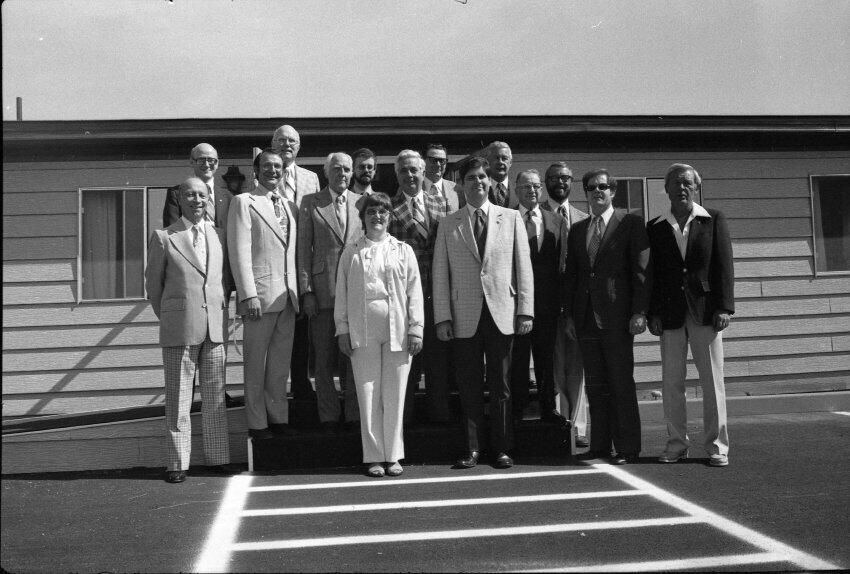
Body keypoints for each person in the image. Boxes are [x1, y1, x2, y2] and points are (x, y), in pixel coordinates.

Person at [432, 156, 534, 469]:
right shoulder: (448, 223)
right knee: (469, 386)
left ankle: (502, 448)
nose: (477, 182)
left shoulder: (511, 218)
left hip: (502, 311)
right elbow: (440, 274)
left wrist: (525, 310)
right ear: (460, 185)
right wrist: (442, 317)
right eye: (470, 178)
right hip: (464, 314)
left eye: (481, 177)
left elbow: (523, 267)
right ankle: (472, 449)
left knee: (502, 386)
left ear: (489, 181)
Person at [145, 178, 232, 483]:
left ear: (209, 199)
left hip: (215, 328)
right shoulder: (165, 237)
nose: (197, 200)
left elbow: (224, 281)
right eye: (190, 195)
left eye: (201, 195)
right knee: (179, 398)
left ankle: (217, 459)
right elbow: (153, 287)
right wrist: (173, 316)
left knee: (215, 398)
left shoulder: (220, 236)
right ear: (180, 200)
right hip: (179, 327)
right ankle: (177, 464)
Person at [647, 163, 734, 467]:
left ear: (696, 187)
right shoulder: (655, 226)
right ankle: (676, 444)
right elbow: (653, 275)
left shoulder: (713, 219)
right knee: (672, 383)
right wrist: (653, 313)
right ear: (666, 189)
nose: (682, 188)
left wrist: (724, 307)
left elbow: (724, 265)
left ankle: (717, 446)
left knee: (712, 382)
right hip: (670, 314)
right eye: (676, 183)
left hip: (706, 312)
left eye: (687, 183)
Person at [563, 169, 650, 465]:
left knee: (620, 383)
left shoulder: (631, 223)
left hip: (618, 317)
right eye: (591, 187)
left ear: (612, 191)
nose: (597, 191)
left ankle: (627, 447)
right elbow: (573, 276)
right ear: (585, 193)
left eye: (603, 186)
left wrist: (639, 311)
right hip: (586, 318)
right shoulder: (578, 229)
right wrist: (569, 316)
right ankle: (600, 446)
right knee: (596, 385)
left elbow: (641, 270)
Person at [336, 193, 424, 477]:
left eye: (382, 212)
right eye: (371, 211)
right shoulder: (351, 252)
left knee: (395, 394)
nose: (377, 216)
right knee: (368, 393)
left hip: (398, 329)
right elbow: (342, 294)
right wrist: (342, 329)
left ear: (389, 217)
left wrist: (416, 328)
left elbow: (414, 292)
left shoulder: (403, 250)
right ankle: (374, 456)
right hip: (363, 331)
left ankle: (393, 455)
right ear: (363, 217)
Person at [228, 148, 299, 440]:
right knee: (255, 364)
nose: (273, 171)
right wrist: (248, 295)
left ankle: (278, 418)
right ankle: (257, 424)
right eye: (267, 166)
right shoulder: (244, 202)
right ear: (256, 171)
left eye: (278, 166)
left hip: (288, 296)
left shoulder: (290, 206)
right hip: (259, 296)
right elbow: (239, 251)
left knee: (280, 366)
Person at [298, 152, 363, 431]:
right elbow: (303, 250)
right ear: (327, 172)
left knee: (353, 357)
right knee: (323, 360)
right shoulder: (311, 202)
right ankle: (328, 416)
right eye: (337, 169)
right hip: (323, 293)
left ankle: (354, 415)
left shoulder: (362, 202)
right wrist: (307, 291)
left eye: (347, 169)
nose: (342, 174)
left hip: (355, 293)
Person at [388, 150, 450, 424]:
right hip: (404, 299)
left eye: (414, 170)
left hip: (438, 295)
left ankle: (441, 422)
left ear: (424, 173)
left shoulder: (442, 204)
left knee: (438, 365)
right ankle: (406, 425)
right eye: (404, 170)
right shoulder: (389, 207)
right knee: (407, 366)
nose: (410, 175)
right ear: (396, 175)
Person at [510, 170, 568, 424]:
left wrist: (562, 302)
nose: (532, 191)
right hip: (516, 306)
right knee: (519, 361)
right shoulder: (507, 218)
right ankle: (518, 410)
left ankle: (548, 408)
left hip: (548, 304)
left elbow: (562, 263)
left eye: (536, 186)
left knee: (546, 360)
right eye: (526, 186)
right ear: (516, 190)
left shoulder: (556, 220)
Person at [540, 161, 590, 447]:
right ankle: (562, 424)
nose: (560, 182)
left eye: (566, 178)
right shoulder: (535, 214)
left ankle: (579, 427)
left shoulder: (584, 219)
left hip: (577, 303)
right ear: (546, 182)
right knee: (554, 366)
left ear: (572, 183)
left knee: (577, 366)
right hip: (547, 303)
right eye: (554, 178)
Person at [270, 125, 320, 403]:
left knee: (302, 330)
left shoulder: (311, 178)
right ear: (273, 144)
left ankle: (301, 384)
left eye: (292, 141)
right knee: (278, 332)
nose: (286, 144)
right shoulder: (265, 175)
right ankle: (276, 390)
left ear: (299, 147)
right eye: (281, 140)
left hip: (302, 263)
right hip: (275, 266)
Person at [162, 143, 231, 230]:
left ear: (217, 164)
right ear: (192, 162)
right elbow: (172, 231)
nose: (206, 164)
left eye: (211, 160)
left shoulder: (229, 197)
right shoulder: (177, 193)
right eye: (201, 160)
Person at [423, 143, 464, 213]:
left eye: (442, 161)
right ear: (424, 161)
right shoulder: (414, 187)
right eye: (433, 160)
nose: (438, 164)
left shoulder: (457, 189)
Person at [485, 141, 514, 208]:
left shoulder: (518, 190)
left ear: (510, 162)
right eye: (496, 158)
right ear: (488, 161)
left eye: (504, 158)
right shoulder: (480, 189)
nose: (500, 162)